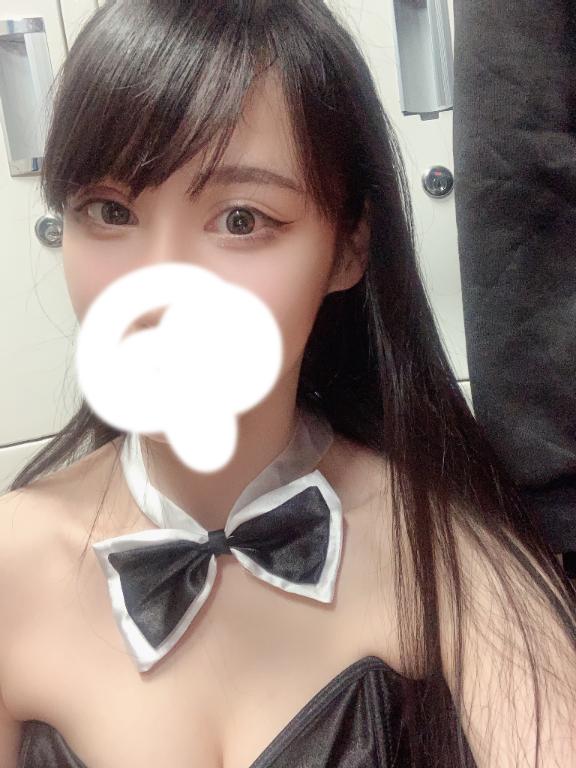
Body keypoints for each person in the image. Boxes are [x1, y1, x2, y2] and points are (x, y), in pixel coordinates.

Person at [0, 1, 574, 767]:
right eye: (110, 211)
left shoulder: (453, 557)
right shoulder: (10, 566)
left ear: (348, 248)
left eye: (241, 220)